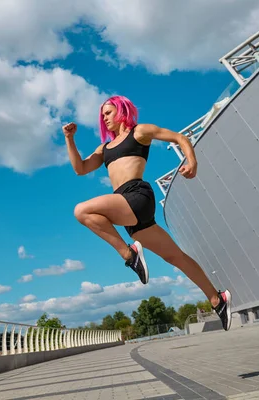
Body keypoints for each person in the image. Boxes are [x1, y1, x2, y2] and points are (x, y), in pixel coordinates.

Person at [63, 95, 232, 331]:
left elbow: (179, 137)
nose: (104, 118)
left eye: (108, 113)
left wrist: (192, 161)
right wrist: (69, 139)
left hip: (136, 195)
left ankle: (129, 255)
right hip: (127, 212)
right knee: (176, 257)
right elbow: (80, 168)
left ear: (121, 110)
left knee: (82, 210)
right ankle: (217, 299)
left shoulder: (139, 132)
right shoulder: (104, 149)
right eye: (102, 115)